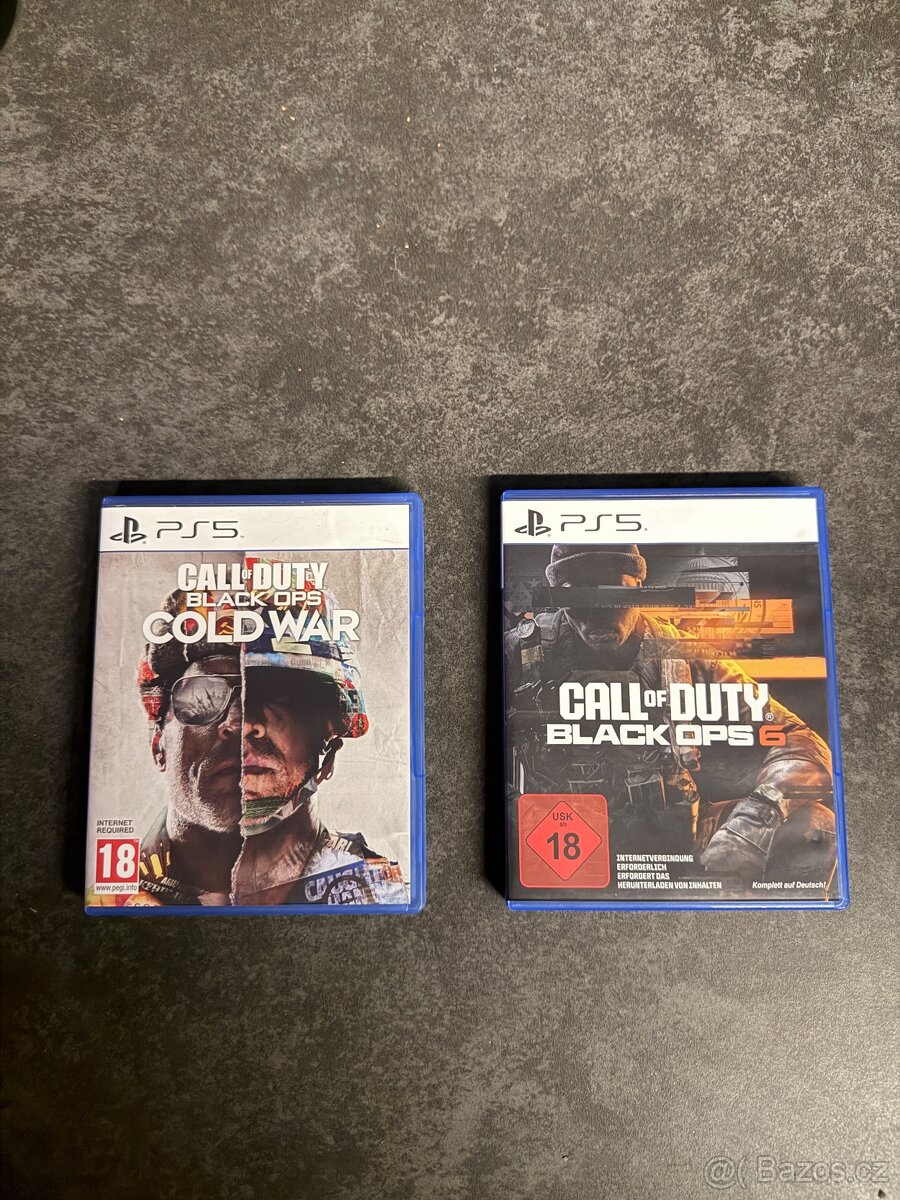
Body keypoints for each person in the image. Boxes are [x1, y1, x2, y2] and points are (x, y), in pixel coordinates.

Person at [505, 544, 836, 892]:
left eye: (613, 592)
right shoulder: (519, 651)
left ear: (638, 587)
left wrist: (755, 820)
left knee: (815, 827)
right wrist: (521, 815)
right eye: (579, 595)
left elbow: (799, 739)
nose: (598, 613)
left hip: (675, 838)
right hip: (554, 839)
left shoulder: (683, 653)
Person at [128, 589, 406, 907]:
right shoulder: (111, 900)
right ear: (158, 743)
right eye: (203, 695)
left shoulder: (384, 899)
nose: (242, 723)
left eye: (281, 693)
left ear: (329, 743)